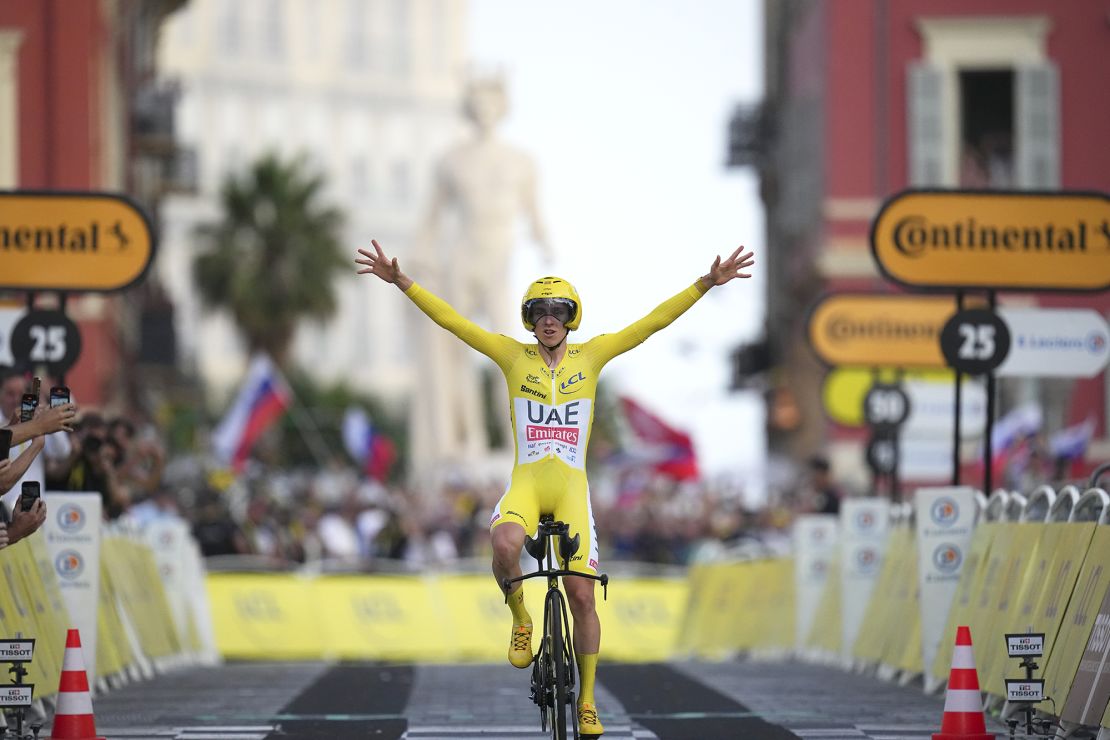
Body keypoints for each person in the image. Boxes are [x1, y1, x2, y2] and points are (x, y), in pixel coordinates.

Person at [357, 238, 755, 736]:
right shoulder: (510, 354)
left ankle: (587, 700)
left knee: (581, 597)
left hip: (571, 490)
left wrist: (705, 284)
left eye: (559, 309)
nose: (549, 317)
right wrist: (402, 281)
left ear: (572, 317)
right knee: (503, 542)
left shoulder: (592, 356)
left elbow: (651, 323)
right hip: (526, 484)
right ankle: (521, 617)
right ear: (529, 318)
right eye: (539, 310)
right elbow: (454, 323)